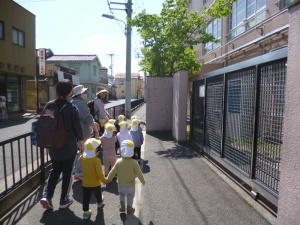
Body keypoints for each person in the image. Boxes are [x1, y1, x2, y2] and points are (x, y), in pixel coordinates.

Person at [40, 79, 84, 210]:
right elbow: (78, 128)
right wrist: (82, 144)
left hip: (52, 144)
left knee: (55, 169)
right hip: (68, 146)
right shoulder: (72, 108)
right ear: (70, 92)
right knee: (67, 172)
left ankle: (47, 196)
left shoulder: (49, 105)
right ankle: (63, 199)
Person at [106, 140, 145, 214]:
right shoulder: (134, 163)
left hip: (120, 184)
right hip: (130, 185)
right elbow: (139, 173)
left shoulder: (118, 161)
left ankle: (122, 204)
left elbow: (112, 172)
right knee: (130, 196)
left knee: (121, 194)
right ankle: (129, 208)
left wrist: (108, 179)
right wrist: (142, 181)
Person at [71, 85, 99, 180]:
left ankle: (77, 170)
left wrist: (93, 123)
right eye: (84, 93)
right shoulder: (80, 104)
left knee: (80, 150)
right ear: (79, 94)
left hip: (77, 132)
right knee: (82, 151)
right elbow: (86, 117)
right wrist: (95, 127)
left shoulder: (74, 102)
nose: (86, 94)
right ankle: (79, 172)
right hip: (82, 132)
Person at [79, 138, 107, 220]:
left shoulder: (82, 158)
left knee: (86, 198)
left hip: (85, 183)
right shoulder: (96, 160)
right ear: (95, 150)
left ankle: (86, 213)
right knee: (98, 194)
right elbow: (100, 174)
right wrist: (104, 180)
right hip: (95, 183)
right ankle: (99, 203)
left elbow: (80, 158)